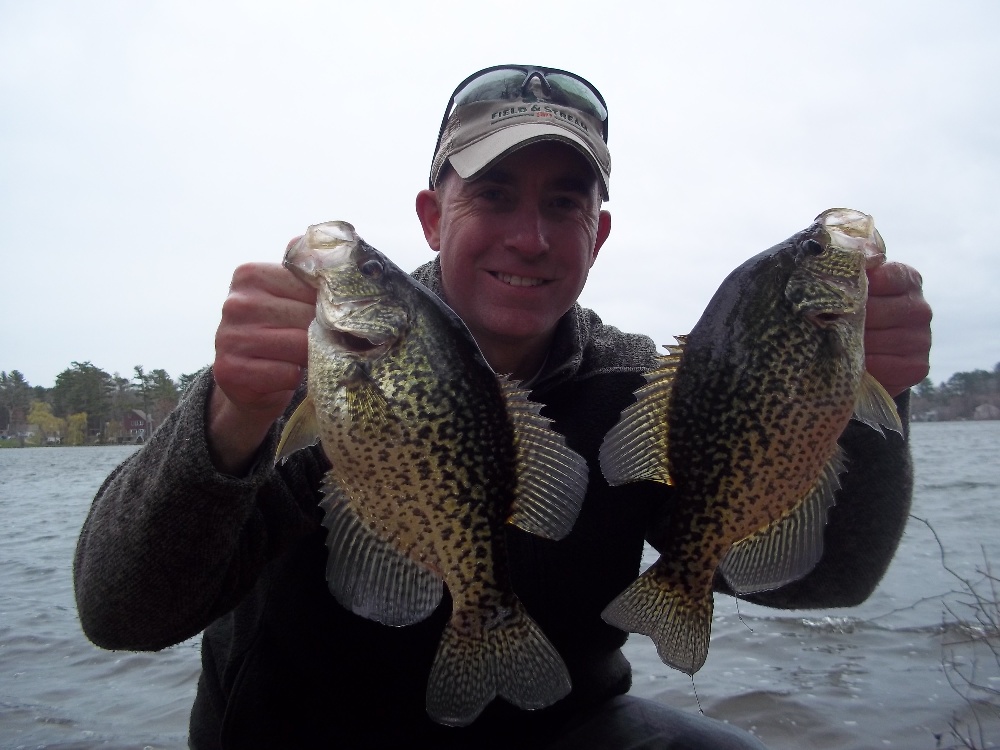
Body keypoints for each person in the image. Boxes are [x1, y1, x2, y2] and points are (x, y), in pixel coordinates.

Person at [74, 65, 932, 749]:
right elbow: (121, 613)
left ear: (598, 235)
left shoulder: (631, 386)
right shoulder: (309, 367)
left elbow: (823, 581)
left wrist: (871, 400)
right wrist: (230, 416)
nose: (530, 236)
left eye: (564, 202)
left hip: (568, 728)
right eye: (492, 195)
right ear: (431, 217)